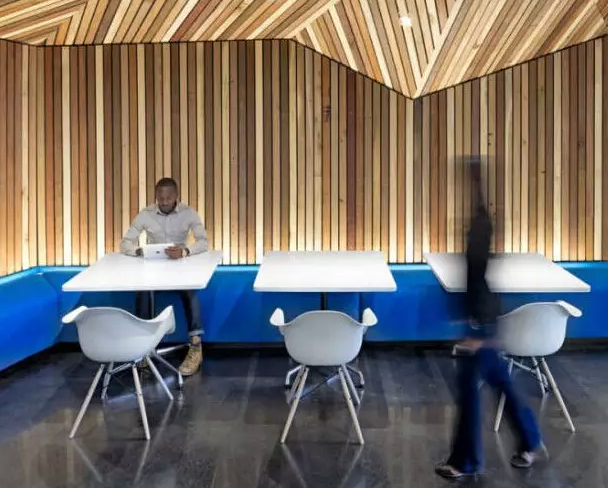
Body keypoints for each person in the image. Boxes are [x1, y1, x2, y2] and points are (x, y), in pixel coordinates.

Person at [435, 159, 545, 480]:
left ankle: (465, 462)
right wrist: (477, 183)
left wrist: (478, 332)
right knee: (500, 384)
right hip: (483, 322)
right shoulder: (481, 229)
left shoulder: (479, 242)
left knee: (470, 393)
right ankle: (530, 441)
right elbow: (481, 213)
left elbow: (478, 283)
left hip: (480, 324)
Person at [120, 177, 207, 377]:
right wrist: (138, 251)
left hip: (180, 268)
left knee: (190, 289)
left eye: (169, 198)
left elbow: (203, 241)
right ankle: (144, 347)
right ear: (156, 196)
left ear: (176, 196)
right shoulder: (146, 214)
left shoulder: (189, 213)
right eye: (161, 198)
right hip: (153, 269)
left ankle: (196, 346)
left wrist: (185, 251)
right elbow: (125, 243)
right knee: (143, 289)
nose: (165, 202)